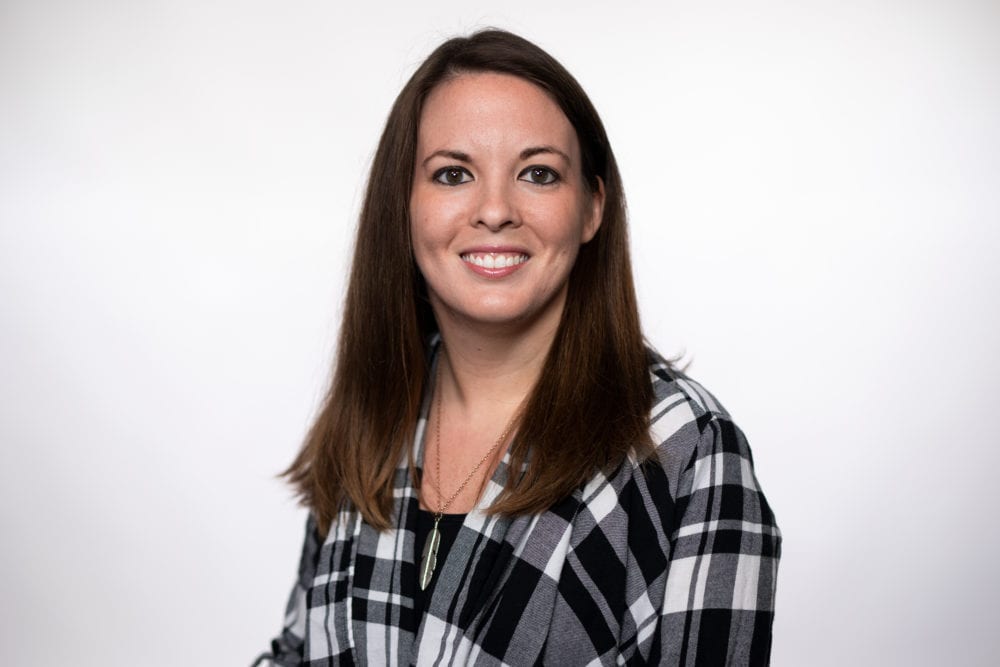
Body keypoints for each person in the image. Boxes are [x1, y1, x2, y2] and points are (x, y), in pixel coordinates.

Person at [255, 29, 780, 666]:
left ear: (591, 209)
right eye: (453, 174)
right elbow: (294, 653)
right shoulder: (374, 415)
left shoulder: (686, 451)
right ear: (404, 207)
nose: (496, 209)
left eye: (538, 174)